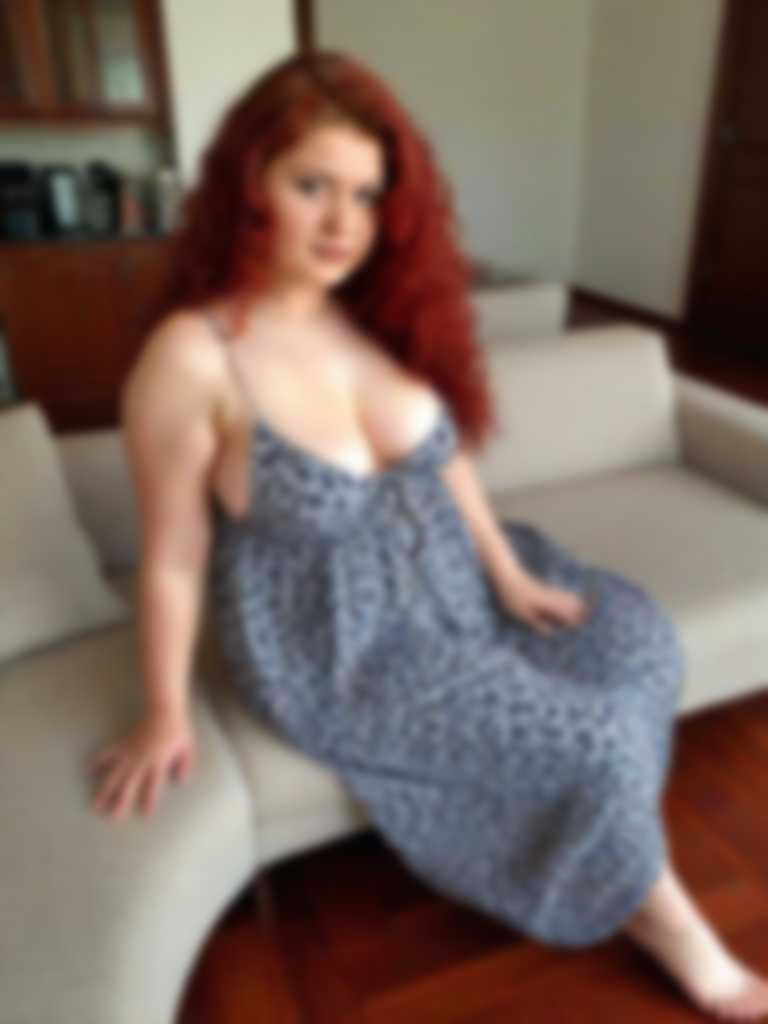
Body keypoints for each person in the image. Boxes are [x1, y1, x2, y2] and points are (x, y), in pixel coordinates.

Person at [87, 49, 768, 1020]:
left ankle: (601, 851)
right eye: (312, 185)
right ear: (248, 183)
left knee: (639, 646)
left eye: (366, 195)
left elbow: (446, 464)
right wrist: (165, 710)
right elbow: (173, 557)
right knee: (591, 738)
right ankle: (682, 937)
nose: (342, 223)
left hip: (462, 586)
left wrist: (505, 573)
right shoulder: (193, 358)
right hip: (345, 646)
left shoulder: (377, 313)